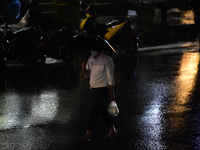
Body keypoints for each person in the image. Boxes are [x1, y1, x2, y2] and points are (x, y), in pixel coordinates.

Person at [80, 49, 118, 142]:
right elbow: (87, 75)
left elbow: (110, 78)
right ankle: (112, 130)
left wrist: (112, 93)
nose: (92, 50)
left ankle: (88, 134)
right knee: (102, 110)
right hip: (93, 89)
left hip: (102, 89)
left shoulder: (107, 59)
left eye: (95, 48)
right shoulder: (90, 59)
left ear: (100, 49)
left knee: (95, 110)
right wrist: (84, 68)